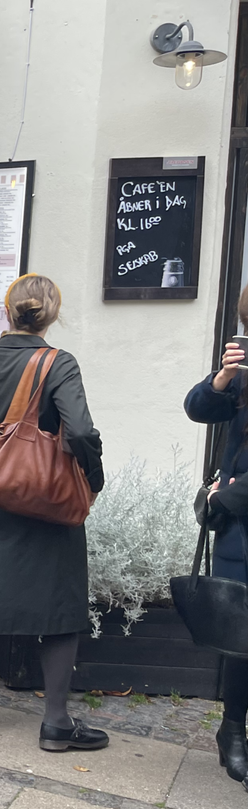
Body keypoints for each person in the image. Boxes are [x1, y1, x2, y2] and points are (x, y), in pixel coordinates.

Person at [0, 274, 105, 750]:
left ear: (7, 310)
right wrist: (93, 478)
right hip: (47, 503)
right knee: (60, 608)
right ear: (51, 314)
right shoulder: (59, 362)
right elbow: (80, 432)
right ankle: (55, 722)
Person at [183, 287, 248, 781]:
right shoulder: (243, 373)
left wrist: (227, 496)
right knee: (241, 634)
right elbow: (197, 408)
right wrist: (222, 379)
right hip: (240, 531)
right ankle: (233, 730)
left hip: (235, 504)